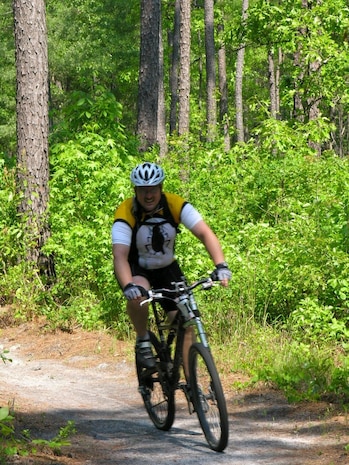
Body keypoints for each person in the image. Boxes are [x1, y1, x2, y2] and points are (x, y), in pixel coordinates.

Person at [111, 162, 232, 371]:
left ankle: (192, 385)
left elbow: (205, 233)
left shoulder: (175, 204)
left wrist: (221, 264)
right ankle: (143, 340)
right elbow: (119, 255)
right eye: (143, 190)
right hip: (138, 268)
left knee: (185, 322)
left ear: (161, 188)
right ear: (135, 191)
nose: (148, 195)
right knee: (138, 296)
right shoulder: (126, 211)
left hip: (168, 269)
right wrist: (128, 285)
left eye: (153, 190)